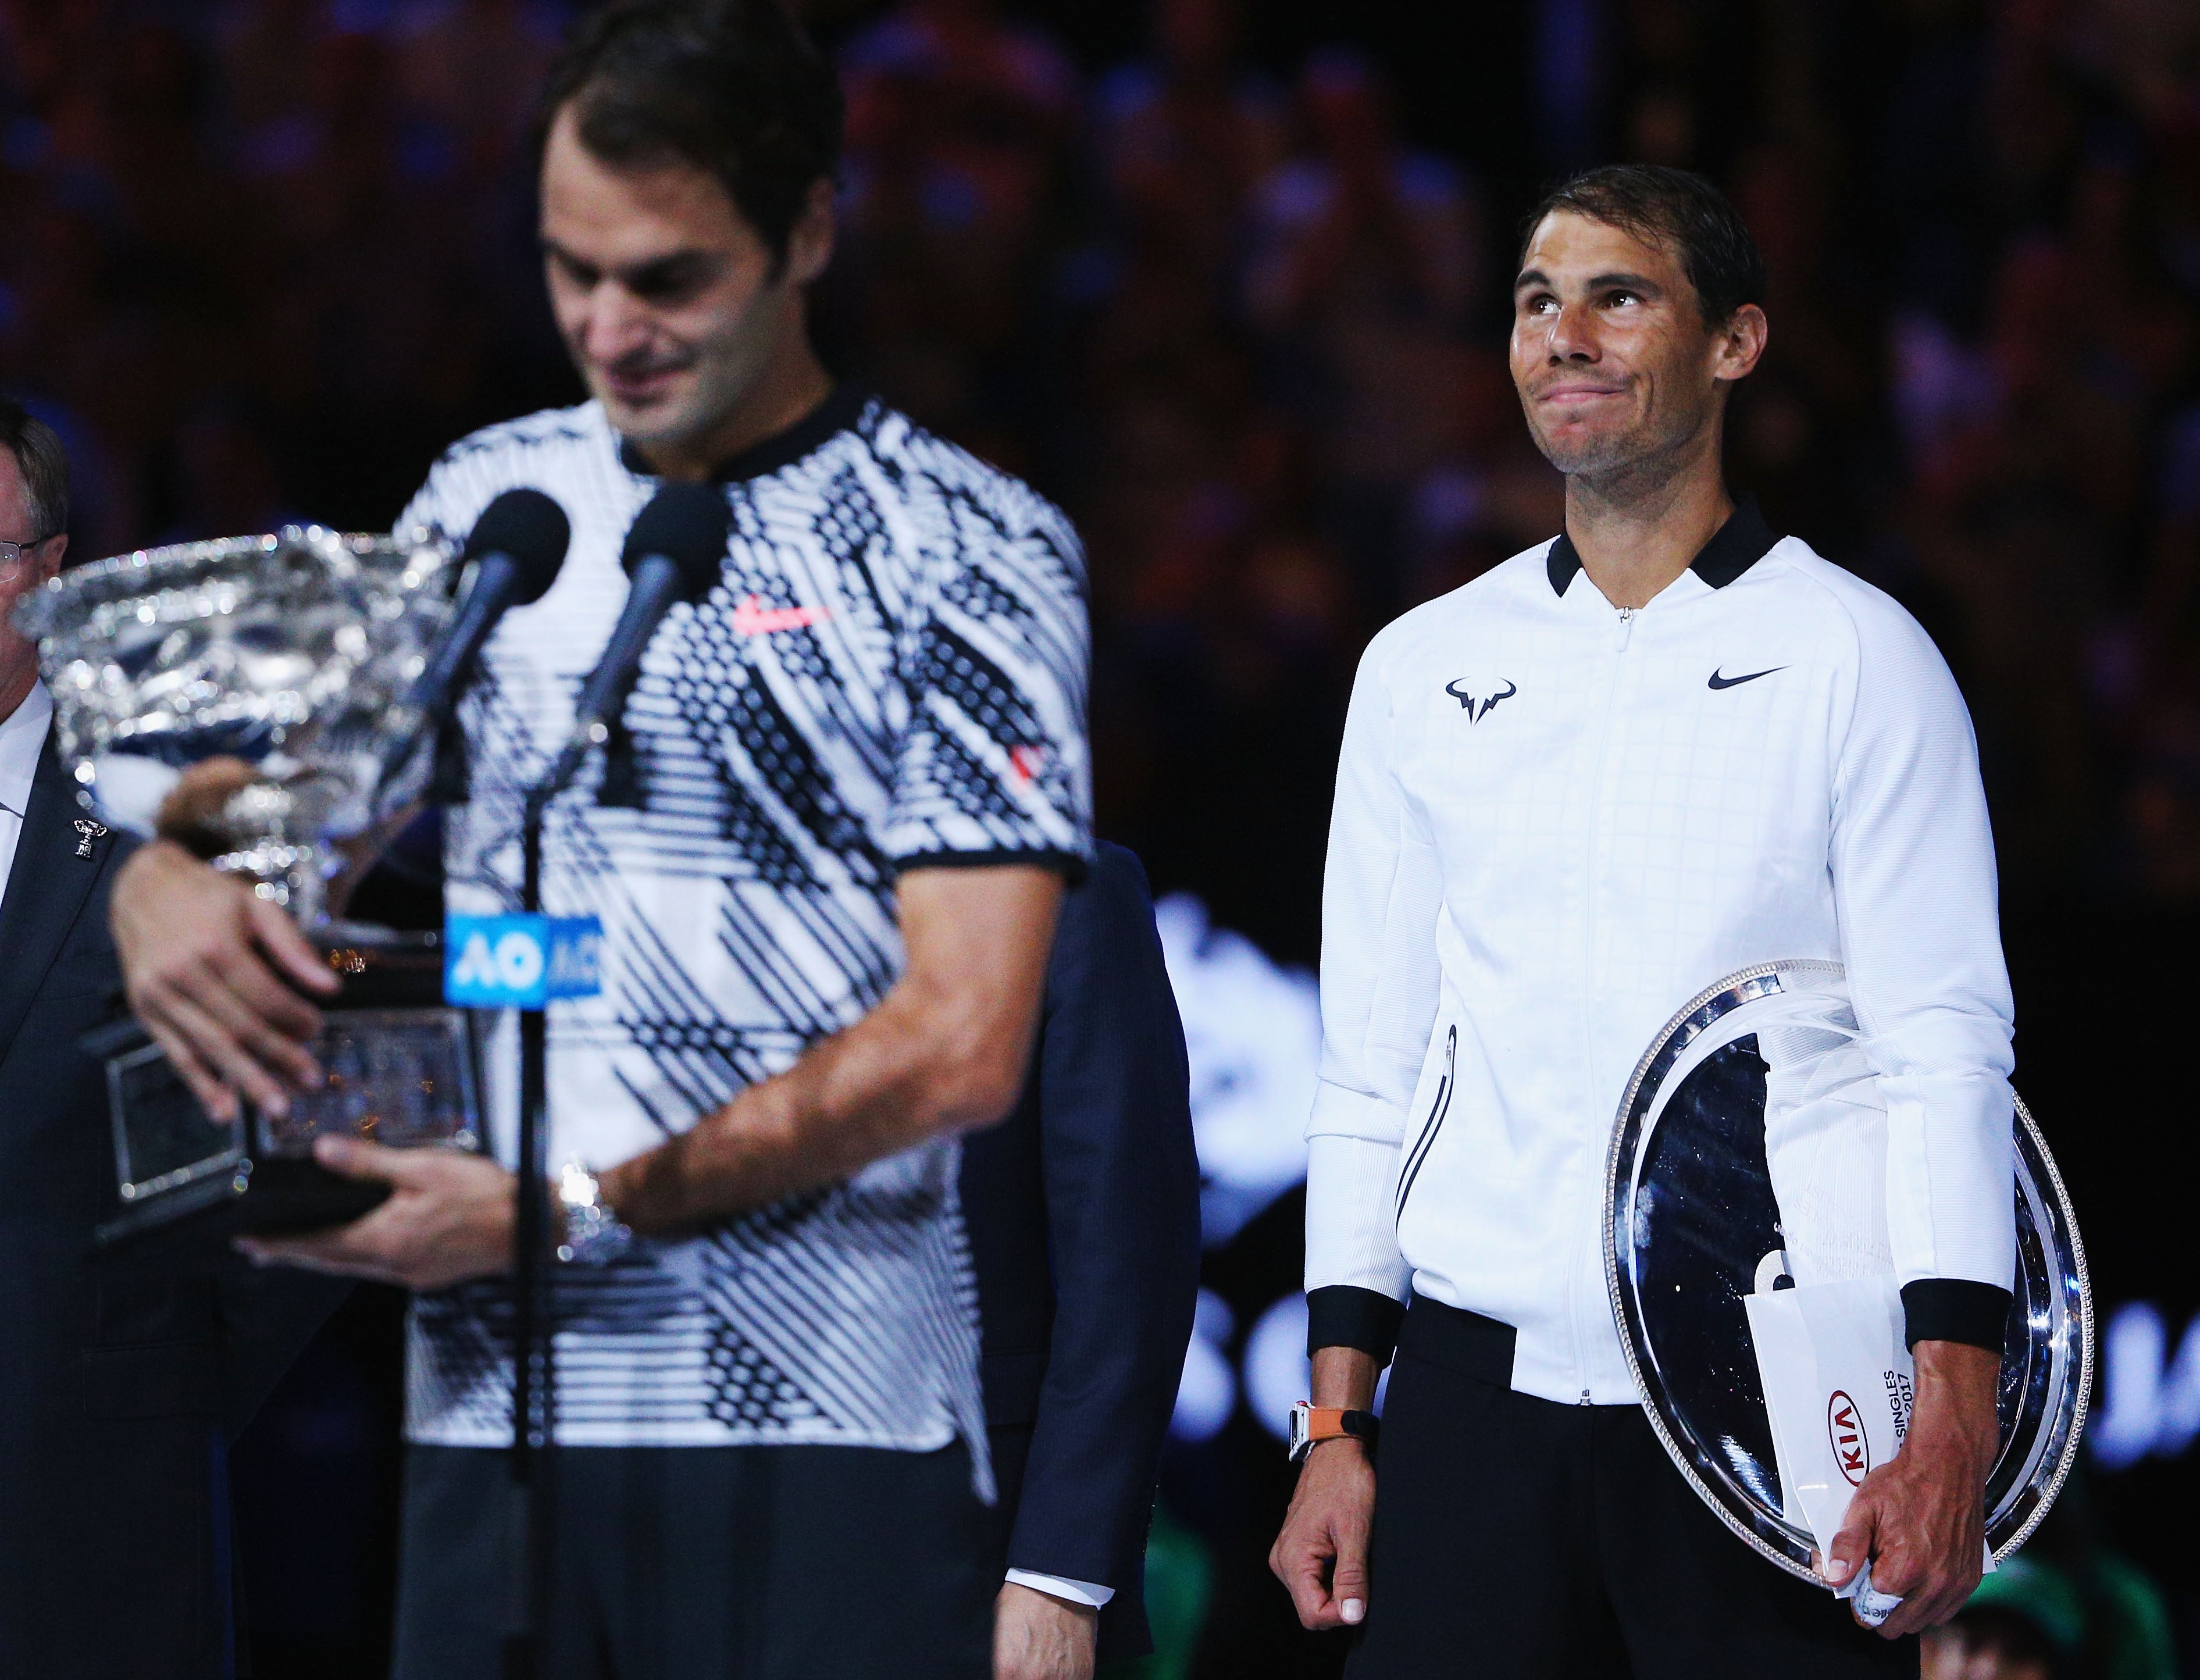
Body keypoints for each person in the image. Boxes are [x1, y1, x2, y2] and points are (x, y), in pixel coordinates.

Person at [106, 3, 1091, 1675]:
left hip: (831, 1420)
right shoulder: (489, 503)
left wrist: (558, 1213)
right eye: (572, 271)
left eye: (668, 277)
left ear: (810, 236)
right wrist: (166, 870)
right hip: (494, 1423)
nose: (608, 327)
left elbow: (961, 1044)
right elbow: (286, 815)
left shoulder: (975, 544)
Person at [1269, 163, 2016, 1676]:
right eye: (1539, 301)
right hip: (1475, 1399)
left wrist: (1953, 1414)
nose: (1566, 335)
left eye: (1620, 295)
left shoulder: (1858, 659)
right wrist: (1338, 1419)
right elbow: (1371, 1064)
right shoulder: (1422, 668)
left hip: (1772, 1394)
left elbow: (1943, 1049)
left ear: (1735, 343)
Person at [0, 397, 338, 1677]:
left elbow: (297, 1135)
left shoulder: (177, 811)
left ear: (51, 573)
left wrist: (158, 1389)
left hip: (90, 1508)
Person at [960, 838, 1201, 1679]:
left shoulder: (1068, 892)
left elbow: (1128, 1260)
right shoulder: (681, 882)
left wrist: (1059, 1577)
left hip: (972, 1549)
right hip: (684, 1521)